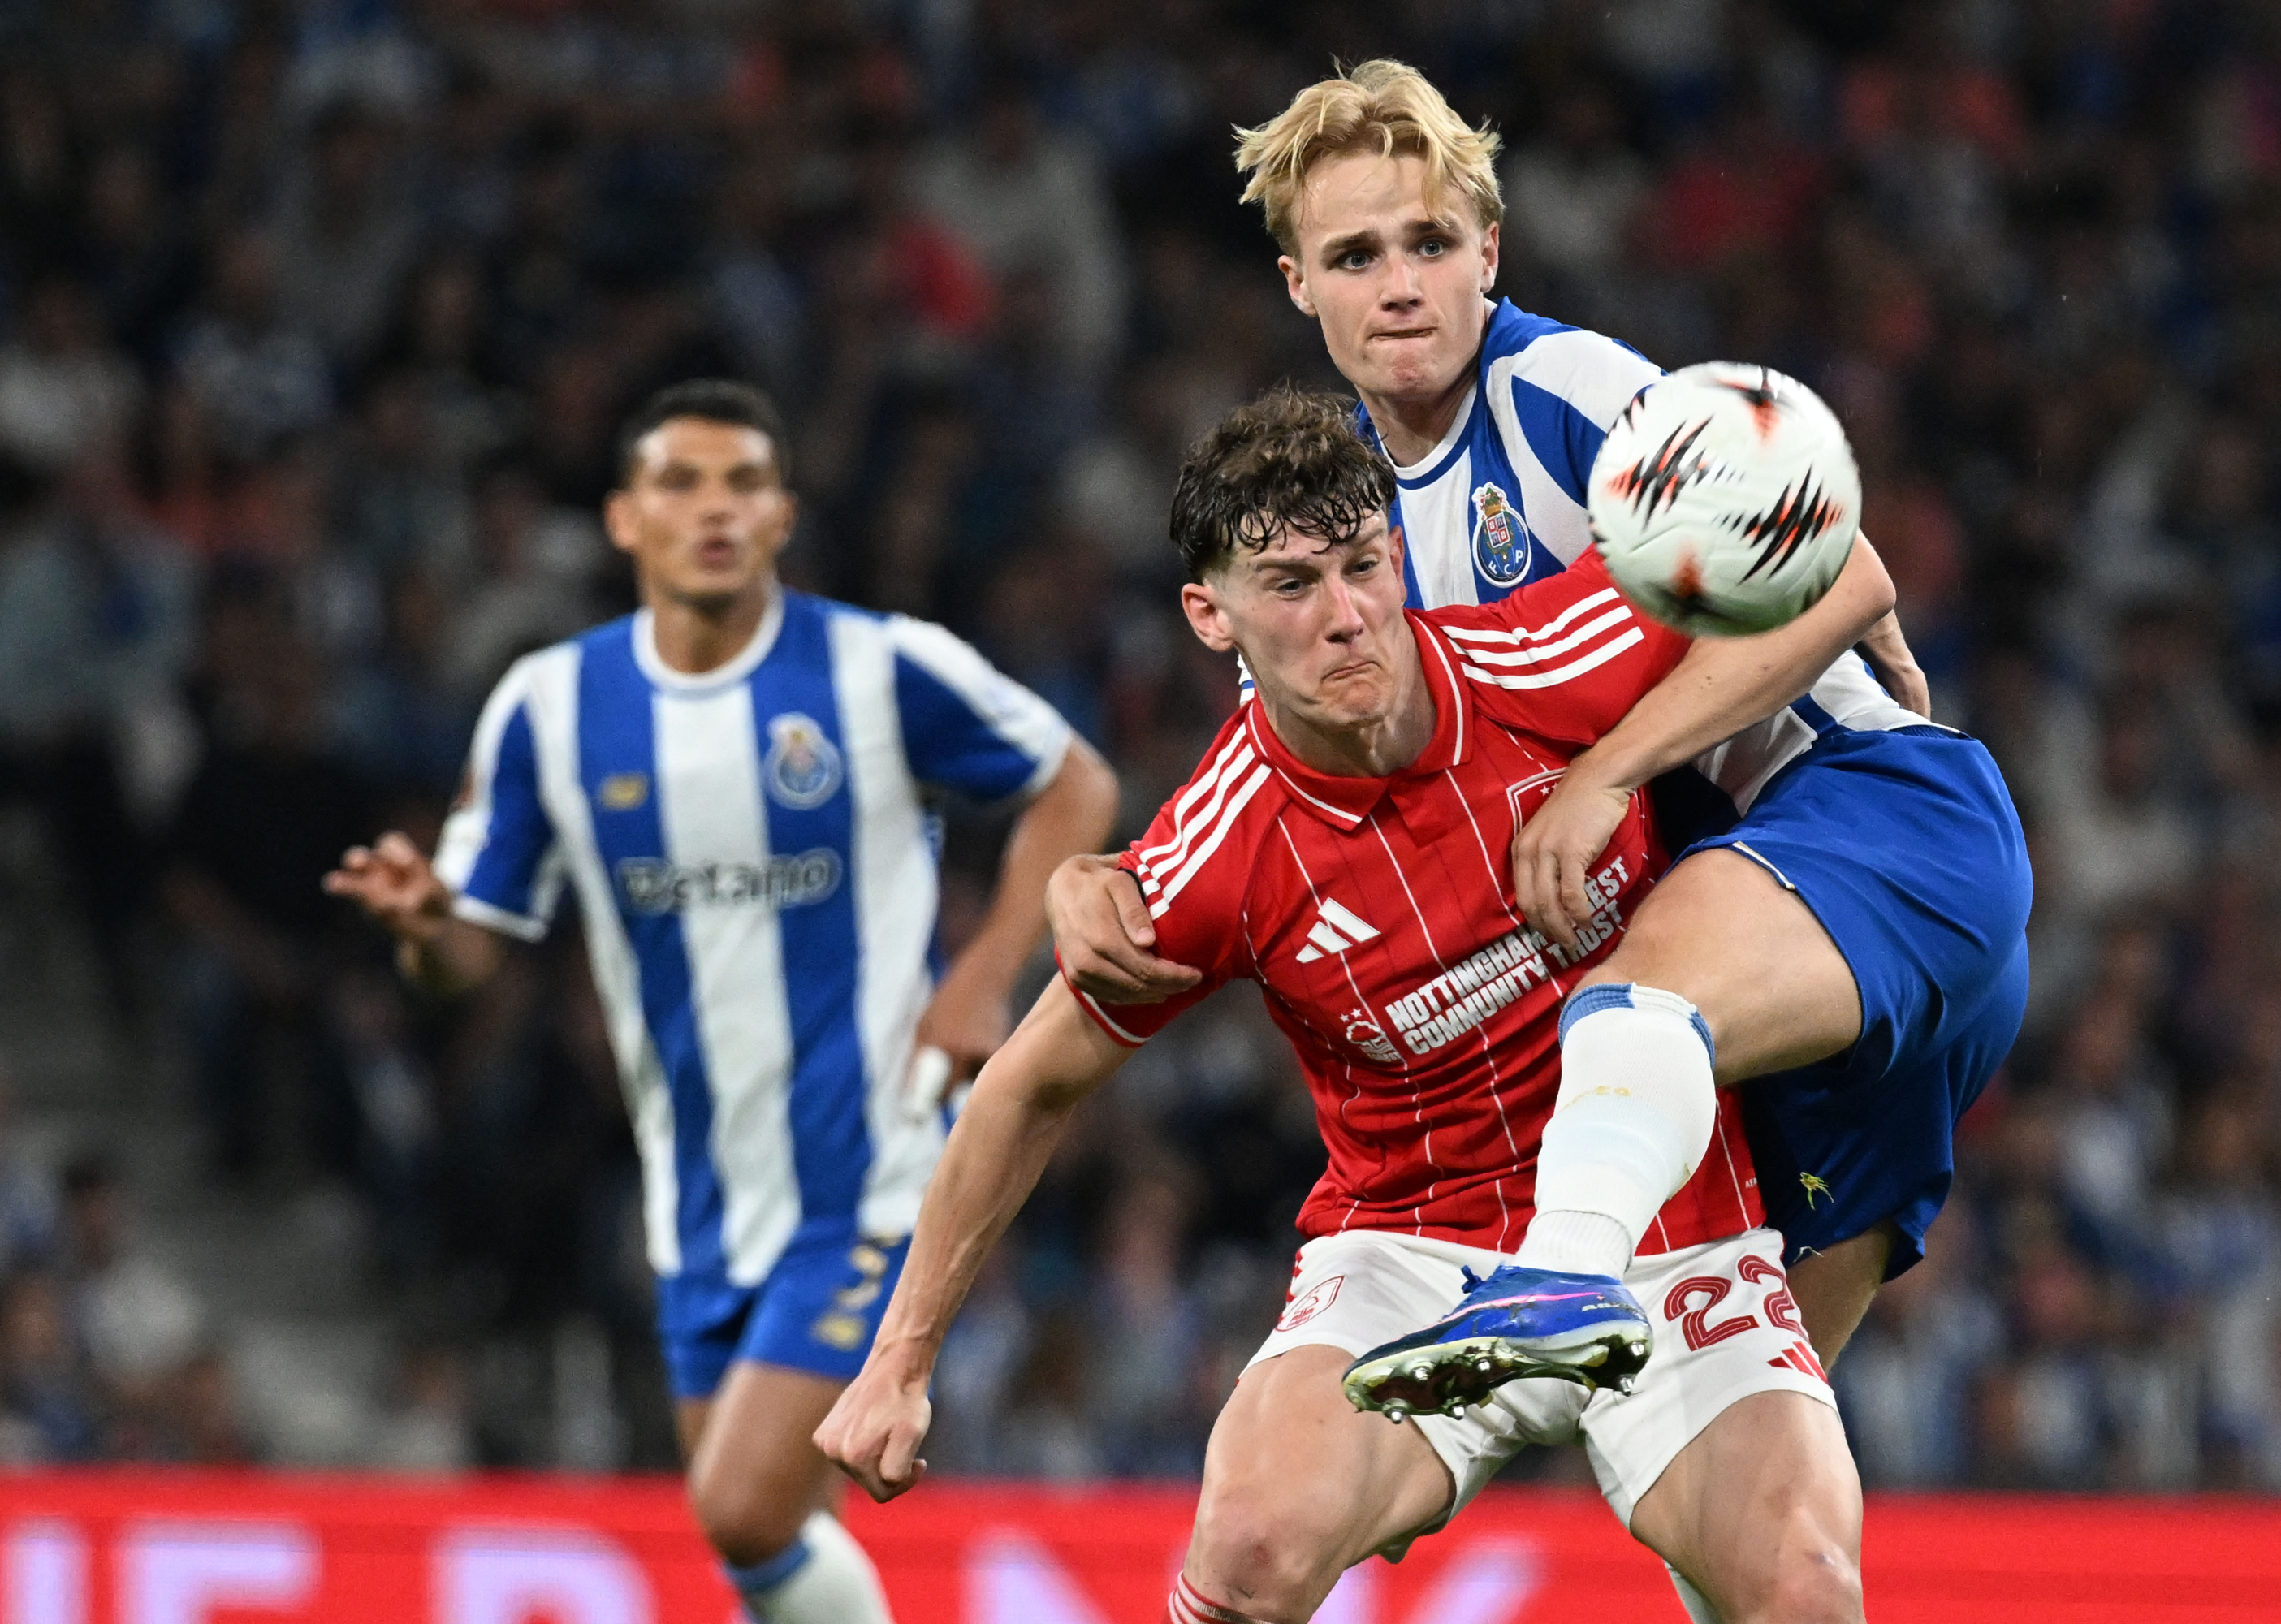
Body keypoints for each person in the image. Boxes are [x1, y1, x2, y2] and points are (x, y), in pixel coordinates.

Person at [1046, 61, 2031, 1392]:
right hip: (1743, 929)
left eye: (1431, 244)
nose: (1401, 284)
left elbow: (1845, 574)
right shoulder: (1337, 521)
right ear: (1299, 285)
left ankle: (1553, 1282)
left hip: (1860, 817)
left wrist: (1605, 775)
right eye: (1356, 254)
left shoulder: (1557, 386)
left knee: (1622, 1019)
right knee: (1748, 1480)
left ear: (1487, 255)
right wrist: (1096, 876)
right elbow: (1277, 784)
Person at [819, 388, 1862, 1624]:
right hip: (1416, 1248)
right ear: (1211, 614)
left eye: (1367, 565)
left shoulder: (1548, 659)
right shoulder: (1217, 852)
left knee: (1804, 1588)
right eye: (1293, 584)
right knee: (1250, 1546)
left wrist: (1616, 767)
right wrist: (899, 1362)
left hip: (1672, 1222)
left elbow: (1836, 575)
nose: (1349, 616)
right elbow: (1029, 1081)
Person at [326, 379, 1118, 1624]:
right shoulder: (551, 706)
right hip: (699, 1195)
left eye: (743, 483)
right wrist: (427, 932)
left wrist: (981, 978)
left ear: (783, 515)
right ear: (622, 519)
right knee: (768, 1545)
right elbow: (474, 954)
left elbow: (1073, 784)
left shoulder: (875, 669)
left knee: (740, 1505)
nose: (714, 508)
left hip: (870, 1167)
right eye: (679, 484)